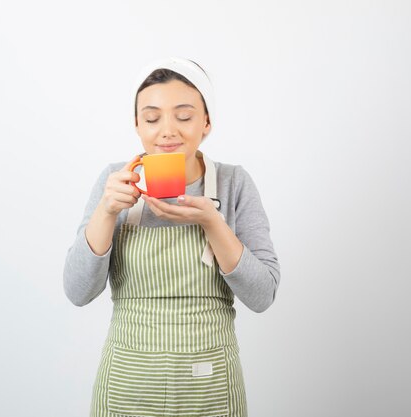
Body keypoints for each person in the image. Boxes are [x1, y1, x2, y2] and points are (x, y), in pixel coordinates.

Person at [63, 57, 280, 417]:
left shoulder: (233, 183)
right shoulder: (114, 180)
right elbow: (77, 292)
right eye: (152, 118)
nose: (167, 131)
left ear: (206, 123)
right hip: (127, 384)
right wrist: (106, 211)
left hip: (209, 383)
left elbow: (262, 296)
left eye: (184, 116)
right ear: (136, 124)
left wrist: (213, 223)